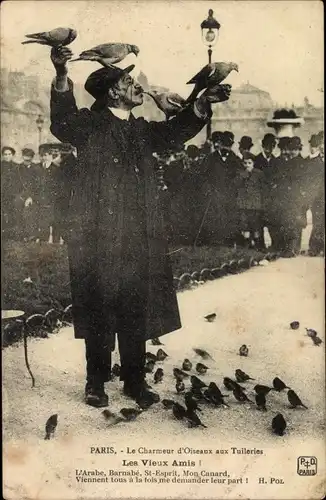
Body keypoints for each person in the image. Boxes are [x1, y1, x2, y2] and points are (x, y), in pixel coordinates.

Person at [49, 45, 231, 407]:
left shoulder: (141, 130)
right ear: (112, 91)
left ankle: (134, 381)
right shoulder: (88, 125)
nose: (136, 86)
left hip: (137, 234)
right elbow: (61, 122)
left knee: (135, 304)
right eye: (128, 81)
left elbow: (176, 131)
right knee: (100, 303)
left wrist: (201, 100)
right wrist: (60, 75)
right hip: (98, 233)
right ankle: (95, 383)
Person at [235, 151, 264, 248]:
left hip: (255, 206)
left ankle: (257, 246)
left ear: (253, 163)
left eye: (249, 163)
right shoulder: (240, 174)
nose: (247, 165)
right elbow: (235, 185)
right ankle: (247, 246)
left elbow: (263, 188)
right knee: (245, 227)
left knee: (256, 227)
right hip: (243, 205)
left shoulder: (259, 174)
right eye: (245, 163)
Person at [16, 147, 42, 241]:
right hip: (20, 195)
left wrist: (31, 197)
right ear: (22, 157)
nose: (26, 161)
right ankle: (21, 235)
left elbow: (38, 185)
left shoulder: (37, 168)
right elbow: (16, 183)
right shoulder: (18, 168)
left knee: (31, 215)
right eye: (25, 158)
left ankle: (32, 235)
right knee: (19, 214)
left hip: (33, 196)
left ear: (32, 158)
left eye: (29, 159)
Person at [306, 134, 324, 255]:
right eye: (321, 144)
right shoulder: (312, 161)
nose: (322, 146)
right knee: (318, 222)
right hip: (318, 198)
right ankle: (315, 248)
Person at [1, 147, 18, 240]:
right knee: (3, 213)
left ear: (13, 155)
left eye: (9, 154)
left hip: (12, 194)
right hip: (2, 193)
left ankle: (11, 235)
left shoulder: (17, 166)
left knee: (12, 213)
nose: (7, 156)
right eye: (5, 154)